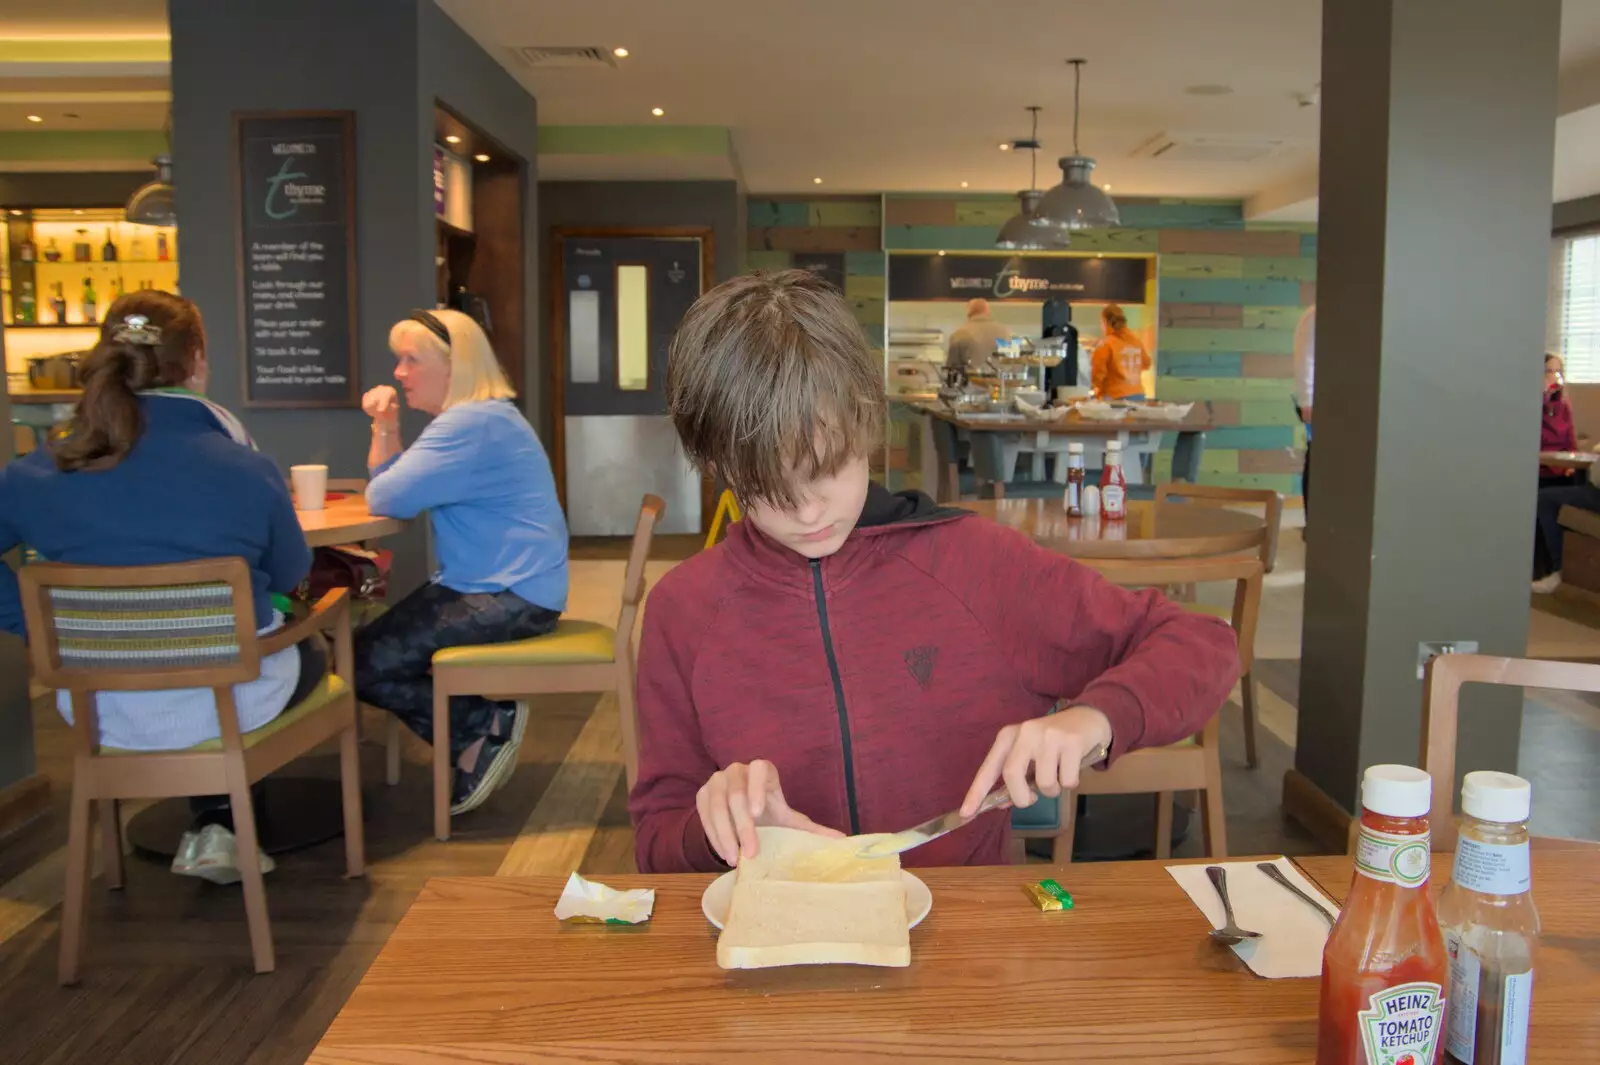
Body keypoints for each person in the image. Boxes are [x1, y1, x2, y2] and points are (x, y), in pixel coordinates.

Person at [629, 270, 1238, 872]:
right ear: (719, 466)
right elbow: (657, 838)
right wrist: (712, 829)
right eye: (767, 485)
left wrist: (1096, 719)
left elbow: (1200, 644)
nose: (808, 509)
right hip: (773, 942)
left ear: (864, 425)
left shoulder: (975, 566)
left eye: (828, 465)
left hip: (965, 942)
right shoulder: (684, 612)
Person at [0, 291, 321, 884]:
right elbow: (288, 574)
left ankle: (215, 821)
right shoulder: (246, 469)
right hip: (235, 701)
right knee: (308, 645)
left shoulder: (32, 474)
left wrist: (35, 625)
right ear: (196, 361)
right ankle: (225, 816)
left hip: (100, 708)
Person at [355, 309, 568, 815]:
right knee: (368, 654)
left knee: (361, 663)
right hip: (507, 586)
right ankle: (478, 728)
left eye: (412, 359)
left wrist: (383, 426)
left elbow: (385, 495)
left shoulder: (468, 425)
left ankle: (482, 727)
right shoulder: (481, 418)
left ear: (457, 366)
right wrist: (385, 424)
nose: (399, 373)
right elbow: (394, 487)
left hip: (508, 594)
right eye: (398, 360)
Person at [1090, 303, 1151, 400]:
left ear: (1105, 322)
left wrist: (1096, 388)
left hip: (1115, 397)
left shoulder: (1106, 344)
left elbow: (1097, 375)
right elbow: (1147, 364)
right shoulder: (1136, 341)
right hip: (1138, 395)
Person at [1540, 352, 1578, 489]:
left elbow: (1571, 441)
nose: (1554, 377)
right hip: (1540, 469)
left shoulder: (1564, 405)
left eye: (1558, 372)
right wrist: (1544, 397)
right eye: (1548, 371)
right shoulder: (1531, 406)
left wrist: (1571, 465)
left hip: (1562, 469)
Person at [946, 297, 1012, 373]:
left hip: (972, 382)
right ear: (987, 312)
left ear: (968, 313)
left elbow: (952, 368)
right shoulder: (1005, 331)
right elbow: (1014, 362)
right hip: (999, 382)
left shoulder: (959, 333)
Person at [1294, 305, 1315, 513]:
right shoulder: (1314, 315)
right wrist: (1307, 402)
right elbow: (1305, 360)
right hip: (1315, 403)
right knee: (1317, 458)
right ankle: (1312, 522)